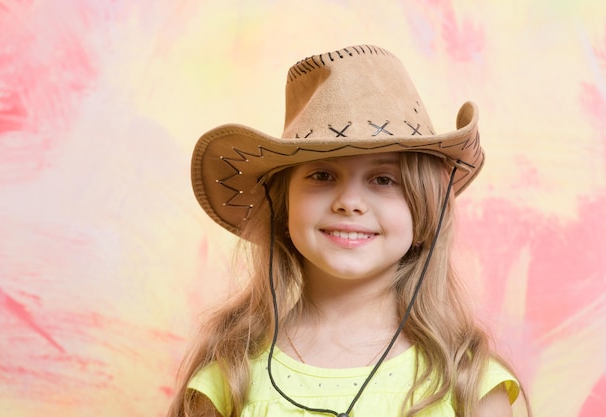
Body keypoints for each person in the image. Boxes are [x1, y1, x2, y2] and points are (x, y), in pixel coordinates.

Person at [168, 44, 530, 417]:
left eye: (384, 179)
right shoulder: (233, 377)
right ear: (282, 207)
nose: (350, 202)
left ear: (424, 212)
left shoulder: (466, 379)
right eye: (322, 175)